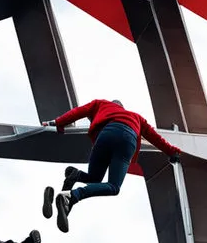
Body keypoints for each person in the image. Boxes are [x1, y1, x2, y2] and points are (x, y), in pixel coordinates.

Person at [41, 99, 181, 232]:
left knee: (94, 177)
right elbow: (155, 137)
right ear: (122, 107)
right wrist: (171, 152)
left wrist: (57, 122)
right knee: (113, 186)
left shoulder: (100, 104)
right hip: (126, 140)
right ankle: (72, 196)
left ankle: (74, 177)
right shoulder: (137, 117)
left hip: (105, 136)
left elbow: (78, 111)